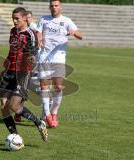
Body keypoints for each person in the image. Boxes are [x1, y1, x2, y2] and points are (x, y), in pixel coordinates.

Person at [0, 7, 48, 141]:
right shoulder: (13, 31)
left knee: (14, 106)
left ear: (25, 18)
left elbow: (32, 55)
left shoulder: (30, 34)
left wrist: (30, 61)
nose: (14, 21)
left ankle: (38, 122)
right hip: (8, 71)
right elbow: (11, 50)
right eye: (13, 18)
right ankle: (15, 136)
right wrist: (7, 62)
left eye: (17, 19)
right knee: (3, 106)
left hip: (21, 74)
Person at [36, 0, 82, 128]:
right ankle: (47, 115)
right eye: (51, 6)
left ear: (60, 7)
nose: (54, 8)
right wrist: (39, 38)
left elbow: (80, 35)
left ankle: (54, 112)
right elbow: (38, 32)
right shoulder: (44, 19)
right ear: (49, 7)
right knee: (44, 87)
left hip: (59, 59)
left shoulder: (66, 21)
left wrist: (74, 32)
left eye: (56, 5)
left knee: (58, 87)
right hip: (44, 57)